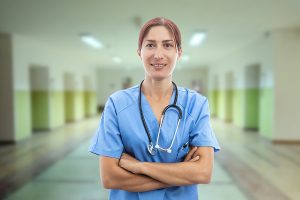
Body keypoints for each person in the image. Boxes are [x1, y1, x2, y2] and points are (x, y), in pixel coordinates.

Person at [89, 17, 220, 200]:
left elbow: (203, 173)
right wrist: (181, 174)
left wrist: (140, 166)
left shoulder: (196, 104)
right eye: (150, 45)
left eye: (167, 45)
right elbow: (110, 177)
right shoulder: (117, 104)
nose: (158, 54)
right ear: (139, 52)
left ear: (179, 52)